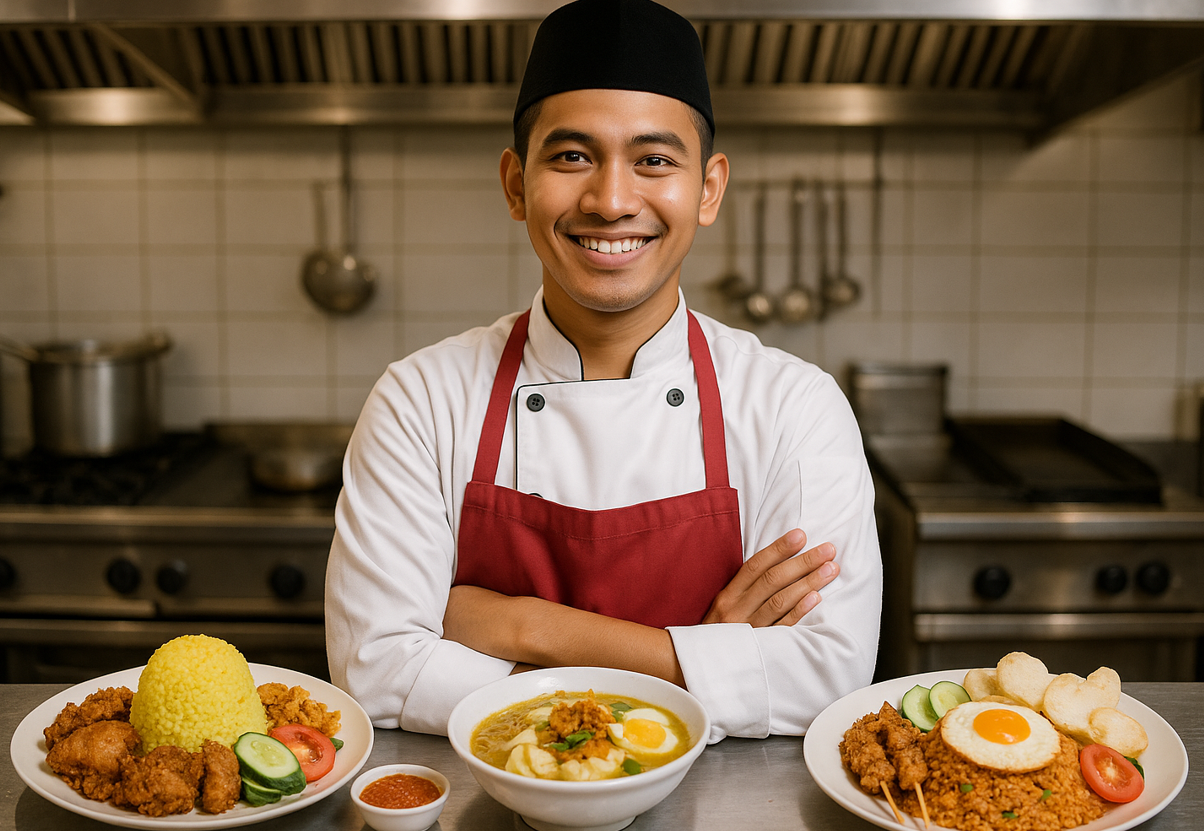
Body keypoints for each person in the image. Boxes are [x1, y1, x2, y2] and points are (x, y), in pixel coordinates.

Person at [325, 0, 882, 742]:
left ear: (709, 188)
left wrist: (520, 624)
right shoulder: (421, 399)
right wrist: (699, 656)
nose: (612, 200)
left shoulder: (793, 407)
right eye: (572, 156)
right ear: (516, 184)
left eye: (653, 160)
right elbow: (376, 667)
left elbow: (826, 677)